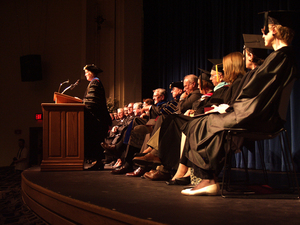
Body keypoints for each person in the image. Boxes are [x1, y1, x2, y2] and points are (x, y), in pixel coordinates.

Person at [181, 11, 298, 196]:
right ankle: (208, 179)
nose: (263, 36)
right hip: (258, 113)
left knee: (201, 122)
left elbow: (257, 95)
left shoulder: (280, 58)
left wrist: (232, 109)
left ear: (274, 30)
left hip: (259, 117)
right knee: (203, 120)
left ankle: (208, 179)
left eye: (265, 31)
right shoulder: (282, 57)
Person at [83, 64, 112, 170]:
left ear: (90, 73)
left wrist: (82, 104)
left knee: (95, 140)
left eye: (86, 72)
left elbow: (92, 103)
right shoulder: (94, 82)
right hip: (97, 118)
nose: (85, 74)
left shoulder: (95, 82)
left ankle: (98, 163)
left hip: (96, 119)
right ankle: (98, 163)